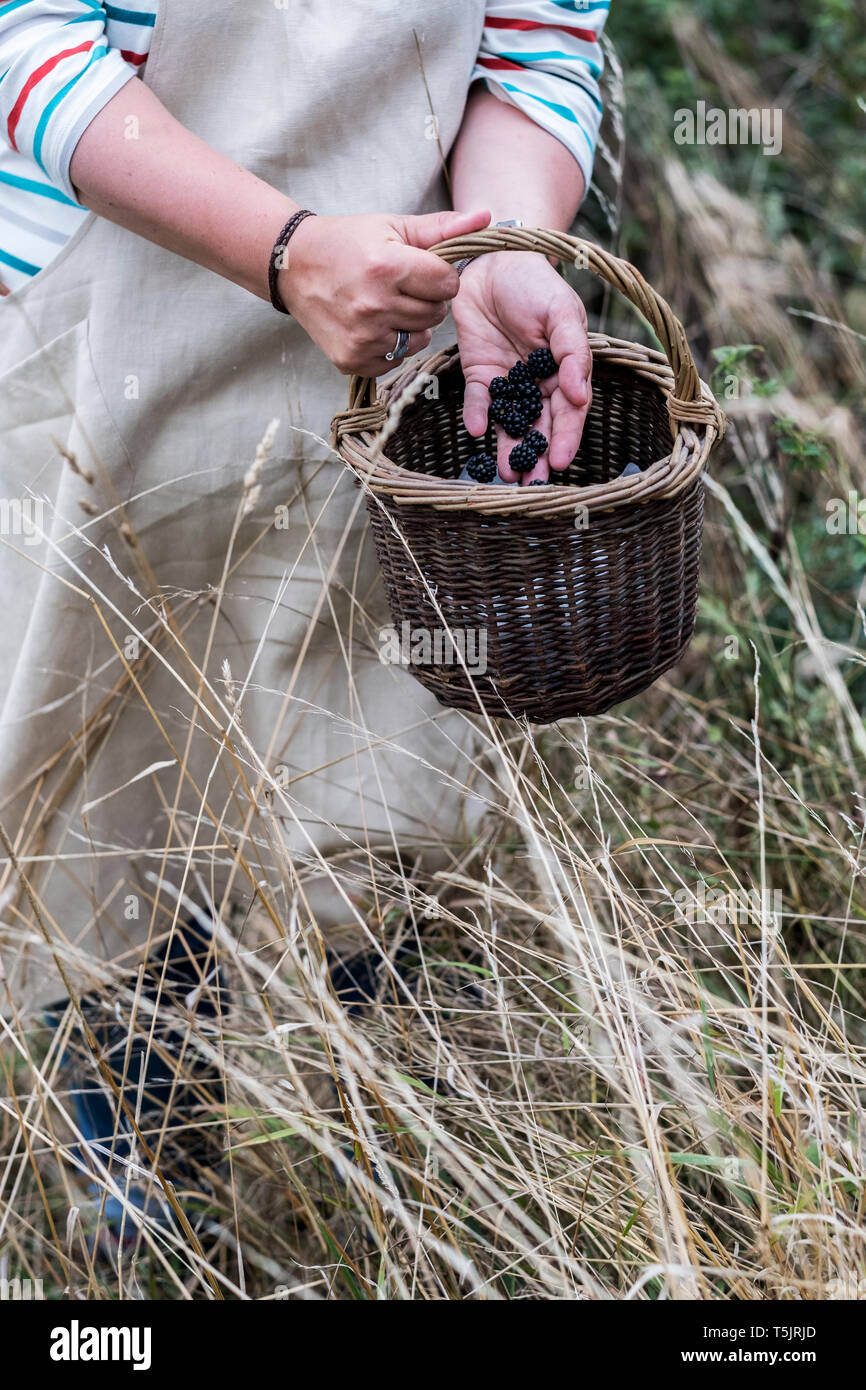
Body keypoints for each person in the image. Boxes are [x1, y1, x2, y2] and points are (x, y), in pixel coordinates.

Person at [0, 2, 607, 1225]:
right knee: (126, 789)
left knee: (379, 787)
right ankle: (148, 1226)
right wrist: (280, 250)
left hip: (396, 337)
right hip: (103, 318)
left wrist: (499, 250)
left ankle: (413, 1199)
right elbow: (22, 33)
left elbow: (536, 45)